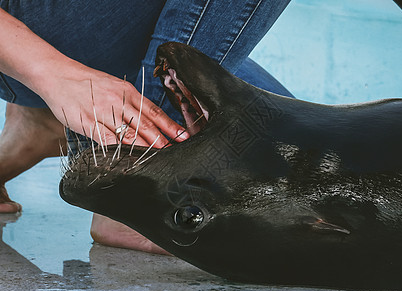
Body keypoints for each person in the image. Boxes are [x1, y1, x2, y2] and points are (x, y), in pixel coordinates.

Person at [0, 0, 292, 253]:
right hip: (28, 38)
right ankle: (133, 186)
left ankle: (39, 125)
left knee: (283, 148)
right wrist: (55, 75)